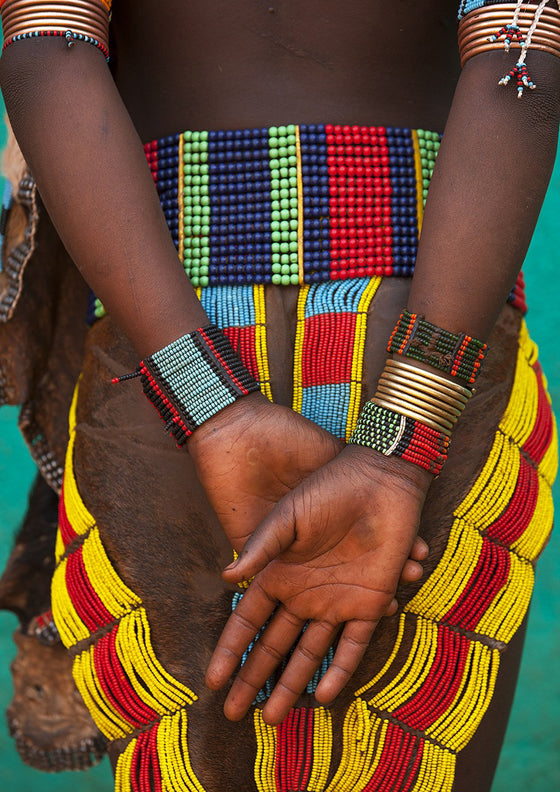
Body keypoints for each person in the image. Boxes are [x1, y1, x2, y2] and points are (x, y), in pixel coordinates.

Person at [0, 1, 558, 790]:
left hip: (163, 349)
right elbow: (521, 64)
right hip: (434, 337)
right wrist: (401, 446)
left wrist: (205, 403)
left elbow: (48, 51)